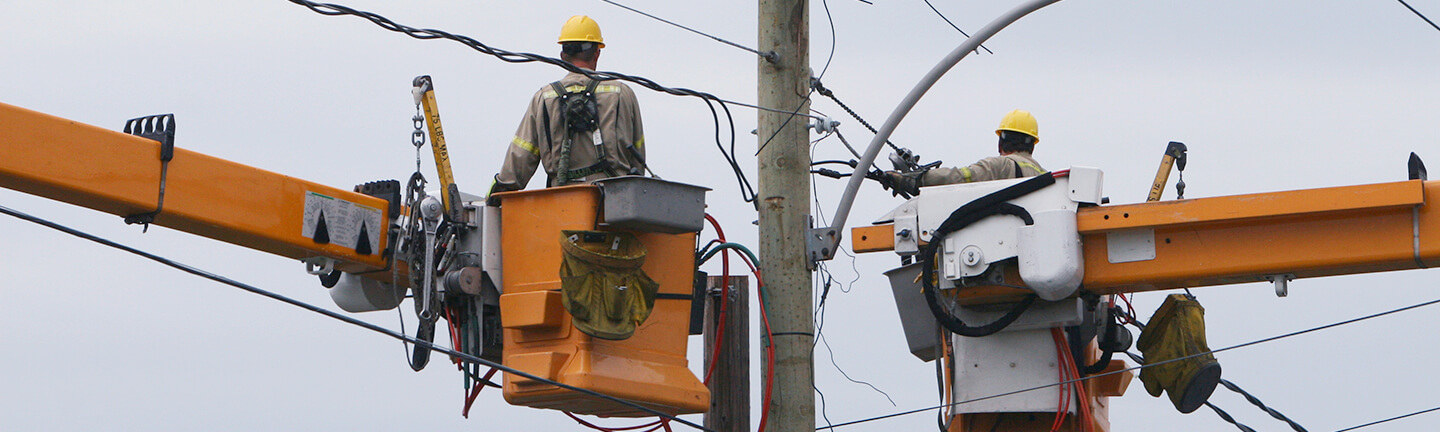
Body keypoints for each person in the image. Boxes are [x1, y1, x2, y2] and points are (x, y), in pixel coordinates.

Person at [489, 15, 646, 195]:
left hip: (563, 205)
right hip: (615, 203)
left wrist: (494, 195)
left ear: (562, 56)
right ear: (597, 53)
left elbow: (517, 165)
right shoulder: (621, 94)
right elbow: (637, 157)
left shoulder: (544, 98)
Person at [888, 109, 1046, 194]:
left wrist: (913, 179)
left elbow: (961, 177)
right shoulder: (1045, 177)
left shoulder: (1001, 166)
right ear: (1033, 145)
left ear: (1001, 143)